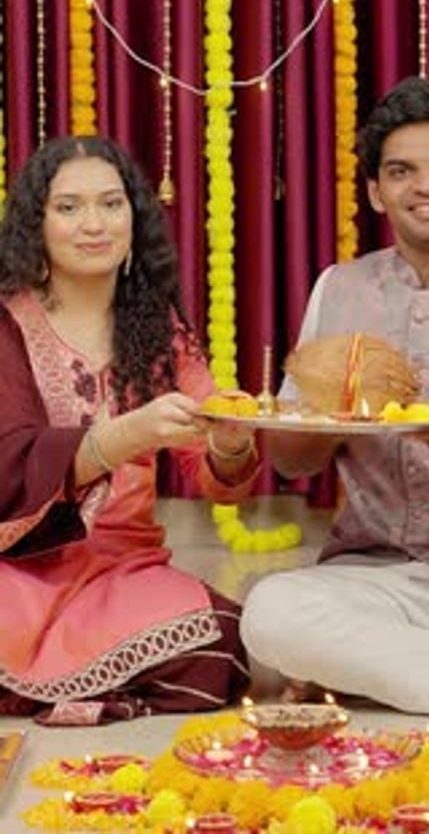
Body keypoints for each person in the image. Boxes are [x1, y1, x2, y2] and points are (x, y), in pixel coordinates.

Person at [241, 75, 429, 717]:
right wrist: (331, 418)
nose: (428, 187)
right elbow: (293, 461)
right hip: (381, 575)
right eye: (402, 172)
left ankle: (387, 669)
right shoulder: (338, 288)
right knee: (272, 613)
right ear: (376, 193)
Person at [0, 135, 259, 725]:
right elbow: (5, 463)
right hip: (17, 563)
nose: (94, 224)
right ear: (35, 224)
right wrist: (123, 436)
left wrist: (231, 441)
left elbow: (218, 478)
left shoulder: (158, 327)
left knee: (221, 639)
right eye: (69, 207)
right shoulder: (7, 323)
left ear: (134, 220)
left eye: (111, 205)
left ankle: (53, 691)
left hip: (121, 569)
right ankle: (92, 690)